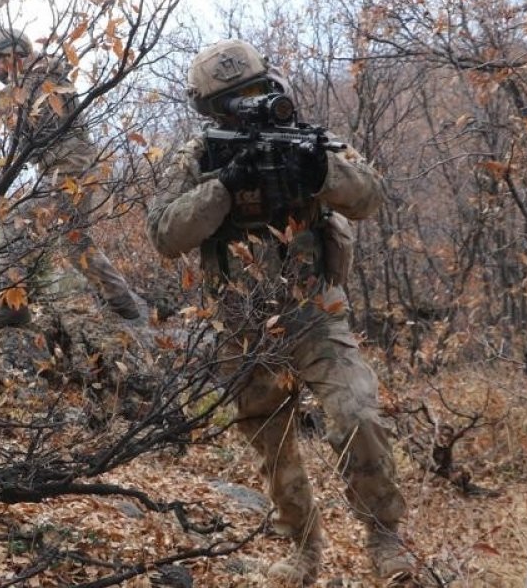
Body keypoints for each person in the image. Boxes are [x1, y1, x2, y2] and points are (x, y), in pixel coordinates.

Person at [146, 39, 415, 585]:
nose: (247, 107)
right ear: (211, 111)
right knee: (272, 442)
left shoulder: (309, 141)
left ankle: (385, 539)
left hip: (315, 313)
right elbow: (165, 235)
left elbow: (371, 198)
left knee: (357, 415)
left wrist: (321, 173)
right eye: (232, 102)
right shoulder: (200, 157)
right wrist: (223, 186)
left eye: (256, 93)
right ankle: (301, 548)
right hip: (242, 326)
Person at [0, 27, 141, 332]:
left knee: (13, 223)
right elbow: (10, 111)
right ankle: (125, 304)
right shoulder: (38, 77)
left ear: (16, 55)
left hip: (68, 171)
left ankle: (14, 308)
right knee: (75, 241)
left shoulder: (34, 79)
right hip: (72, 169)